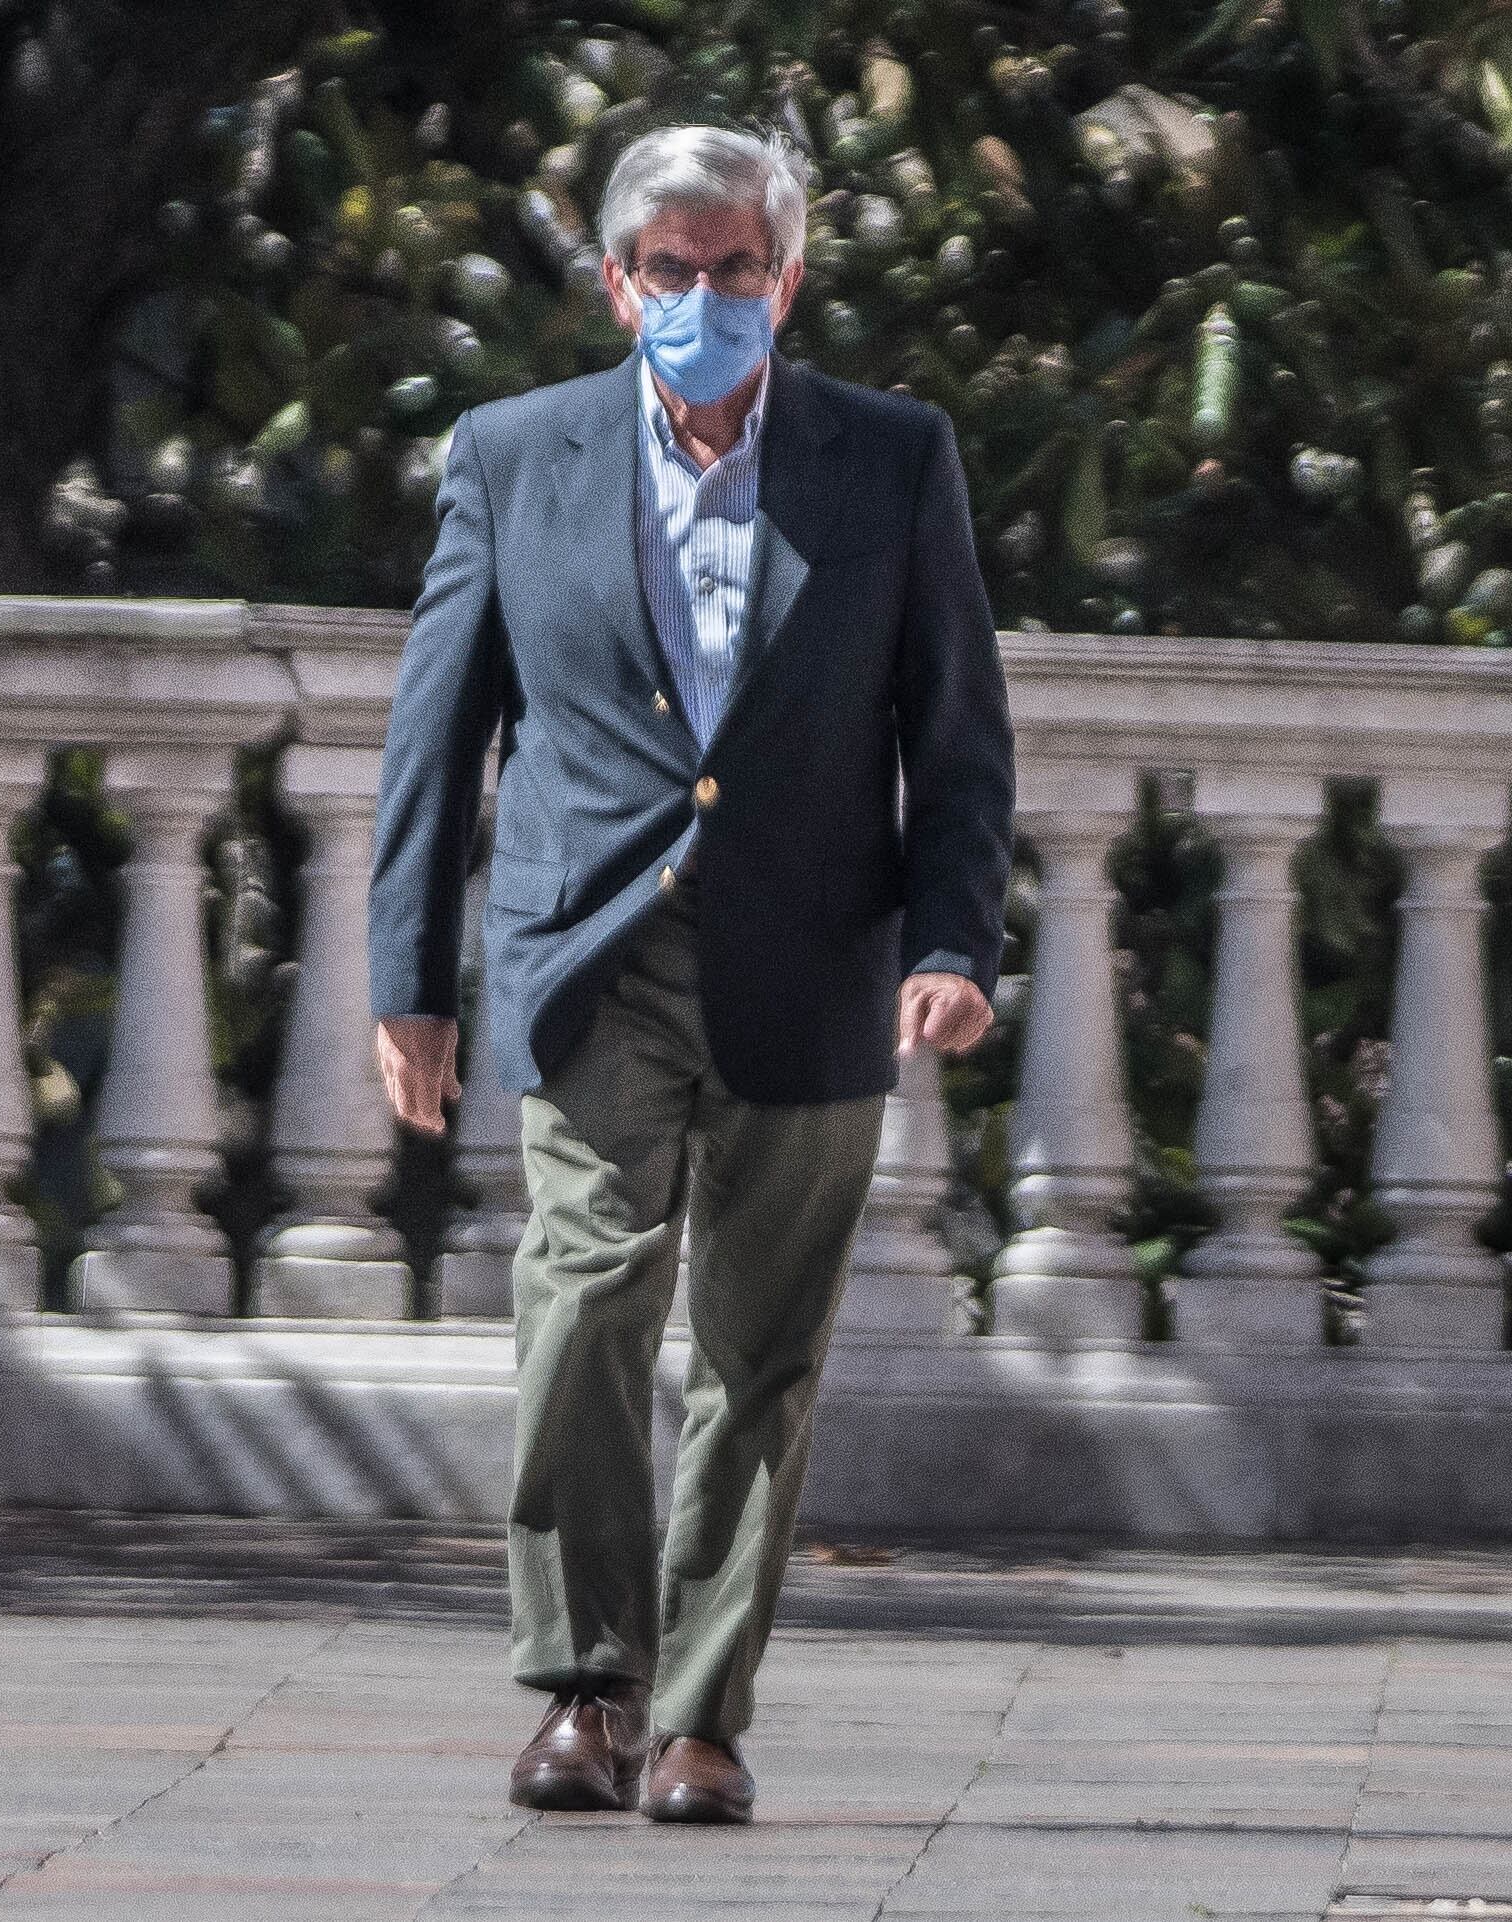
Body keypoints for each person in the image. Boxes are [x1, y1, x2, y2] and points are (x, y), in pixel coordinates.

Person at [365, 122, 1015, 1826]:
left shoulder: (890, 459)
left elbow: (957, 739)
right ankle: (586, 1686)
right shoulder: (517, 454)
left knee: (759, 1350)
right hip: (592, 953)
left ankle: (705, 1715)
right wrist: (408, 978)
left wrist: (953, 941)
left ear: (786, 282)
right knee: (579, 1302)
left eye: (740, 269)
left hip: (814, 959)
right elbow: (439, 733)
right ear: (617, 283)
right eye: (675, 269)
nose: (707, 296)